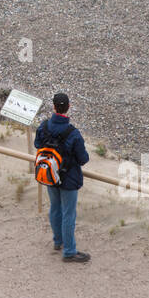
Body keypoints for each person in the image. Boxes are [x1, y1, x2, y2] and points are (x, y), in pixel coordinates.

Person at [35, 92, 90, 262]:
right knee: (68, 214)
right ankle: (69, 251)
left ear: (53, 107)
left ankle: (58, 241)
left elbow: (37, 144)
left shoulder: (43, 127)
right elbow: (83, 159)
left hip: (49, 174)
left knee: (55, 208)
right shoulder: (73, 133)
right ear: (68, 107)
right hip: (69, 179)